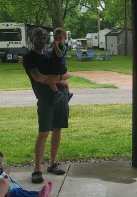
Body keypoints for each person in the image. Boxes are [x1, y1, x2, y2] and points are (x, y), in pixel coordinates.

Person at [23, 27, 70, 184]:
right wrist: (57, 79)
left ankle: (52, 164)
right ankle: (37, 169)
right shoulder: (29, 57)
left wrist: (56, 79)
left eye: (43, 37)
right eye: (37, 37)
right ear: (31, 39)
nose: (41, 40)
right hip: (45, 99)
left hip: (61, 97)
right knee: (43, 133)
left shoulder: (52, 54)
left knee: (57, 130)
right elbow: (37, 76)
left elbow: (67, 73)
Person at [48, 27, 73, 104]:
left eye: (60, 38)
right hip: (56, 66)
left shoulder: (63, 47)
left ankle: (57, 93)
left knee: (49, 79)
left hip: (59, 67)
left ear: (65, 38)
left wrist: (55, 46)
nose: (58, 40)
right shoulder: (55, 47)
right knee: (62, 82)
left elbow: (60, 55)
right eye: (56, 38)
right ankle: (68, 93)